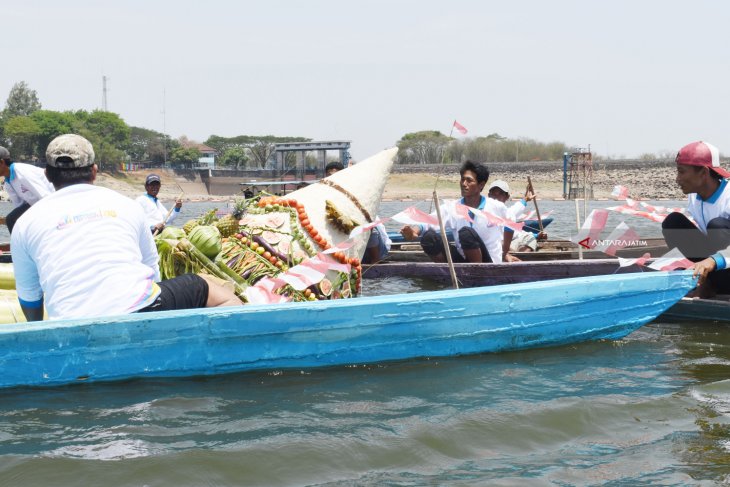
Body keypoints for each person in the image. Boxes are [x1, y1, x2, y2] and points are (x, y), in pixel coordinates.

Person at [11, 134, 241, 322]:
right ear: (94, 171)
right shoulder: (126, 204)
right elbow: (152, 271)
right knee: (202, 286)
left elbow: (30, 298)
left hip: (67, 322)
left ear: (48, 174)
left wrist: (40, 331)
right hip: (140, 309)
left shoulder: (25, 223)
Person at [400, 160, 506, 263]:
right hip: (463, 261)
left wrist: (505, 253)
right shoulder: (452, 207)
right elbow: (429, 222)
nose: (464, 184)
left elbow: (511, 226)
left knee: (466, 233)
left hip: (489, 263)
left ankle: (476, 273)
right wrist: (414, 231)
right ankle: (448, 273)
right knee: (429, 238)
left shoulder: (496, 207)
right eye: (462, 179)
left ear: (481, 185)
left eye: (469, 180)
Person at [661, 140, 730, 296]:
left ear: (704, 173)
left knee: (717, 226)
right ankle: (710, 283)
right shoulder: (694, 197)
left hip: (723, 262)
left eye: (682, 171)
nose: (677, 179)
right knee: (673, 223)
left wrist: (714, 261)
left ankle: (716, 284)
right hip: (721, 267)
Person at [324, 160, 391, 263]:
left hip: (374, 240)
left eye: (337, 175)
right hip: (346, 237)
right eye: (330, 175)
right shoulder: (324, 192)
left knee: (367, 229)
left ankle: (375, 261)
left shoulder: (353, 189)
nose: (333, 178)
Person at [0, 146, 55, 233]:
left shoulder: (22, 171)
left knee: (12, 219)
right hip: (35, 205)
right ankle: (21, 243)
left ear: (2, 162)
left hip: (51, 201)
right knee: (12, 219)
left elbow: (44, 195)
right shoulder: (8, 183)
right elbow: (19, 206)